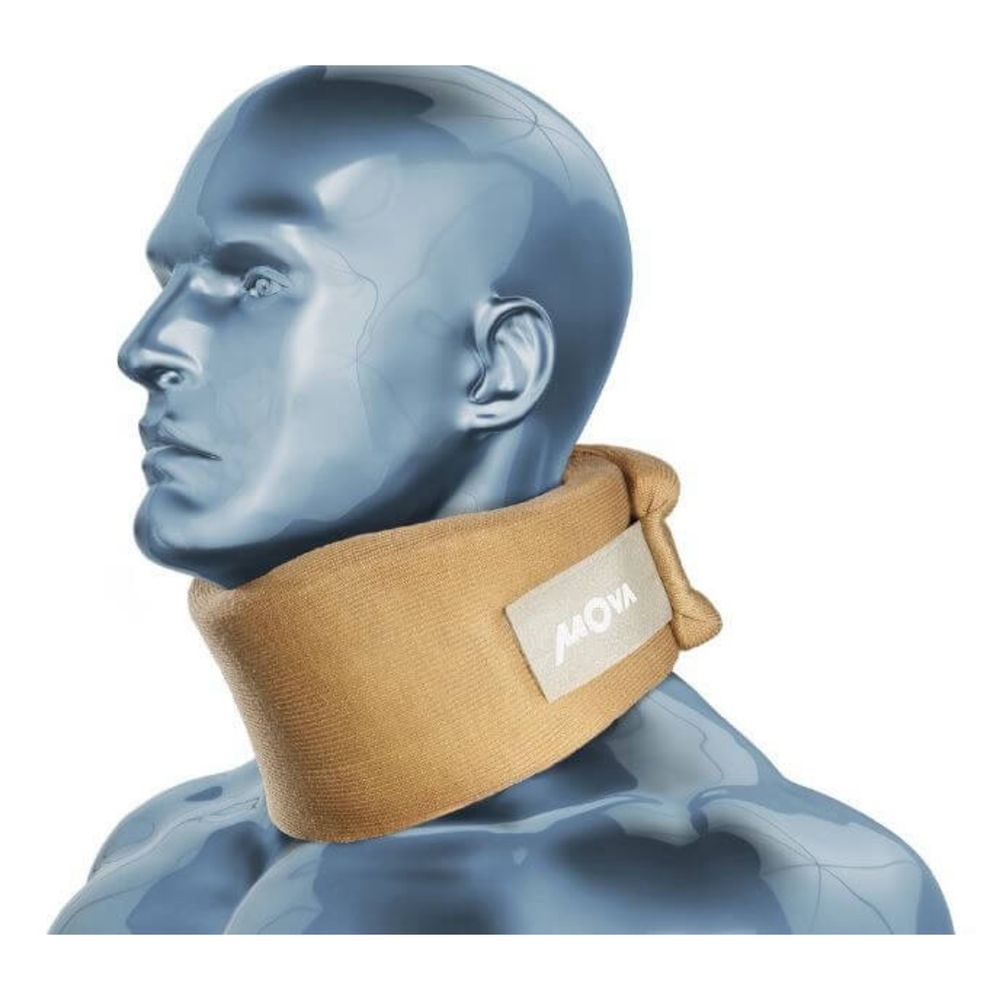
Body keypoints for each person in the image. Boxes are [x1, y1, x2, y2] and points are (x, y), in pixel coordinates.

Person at [51, 65, 951, 934]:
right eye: (168, 282)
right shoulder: (158, 857)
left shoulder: (772, 903)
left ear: (495, 368)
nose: (148, 345)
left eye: (255, 283)